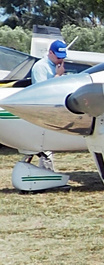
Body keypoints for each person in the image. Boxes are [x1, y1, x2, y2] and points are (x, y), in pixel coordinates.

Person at [24, 40, 68, 171]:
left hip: (54, 110)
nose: (60, 60)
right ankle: (46, 171)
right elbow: (41, 91)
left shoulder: (58, 66)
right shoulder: (40, 67)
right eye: (58, 57)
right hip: (42, 111)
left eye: (63, 57)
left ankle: (46, 170)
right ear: (50, 53)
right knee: (45, 143)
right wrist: (58, 75)